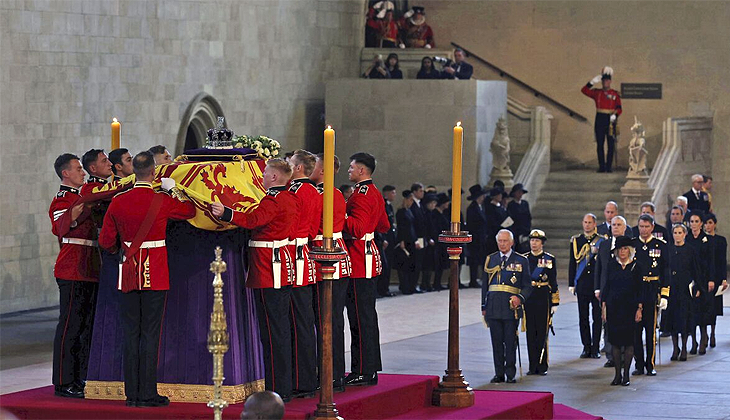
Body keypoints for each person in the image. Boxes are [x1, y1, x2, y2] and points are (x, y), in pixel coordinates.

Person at [99, 152, 196, 407]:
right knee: (150, 333)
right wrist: (174, 191)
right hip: (156, 272)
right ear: (153, 173)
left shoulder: (119, 200)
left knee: (131, 333)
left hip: (128, 271)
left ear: (134, 173)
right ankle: (148, 393)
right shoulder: (160, 200)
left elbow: (106, 241)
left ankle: (132, 394)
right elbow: (189, 211)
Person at [210, 158, 297, 401]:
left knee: (271, 332)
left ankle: (277, 388)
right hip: (281, 266)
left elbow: (252, 220)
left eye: (265, 173)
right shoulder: (289, 197)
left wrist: (225, 212)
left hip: (269, 268)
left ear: (274, 178)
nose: (262, 177)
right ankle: (282, 386)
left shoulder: (274, 200)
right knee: (279, 330)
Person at [49, 153, 100, 399]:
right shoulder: (63, 199)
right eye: (78, 169)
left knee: (84, 327)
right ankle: (63, 380)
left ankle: (80, 377)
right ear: (65, 173)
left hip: (89, 268)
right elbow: (60, 226)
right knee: (70, 326)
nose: (82, 172)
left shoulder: (81, 197)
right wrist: (83, 206)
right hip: (72, 268)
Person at [343, 152, 390, 386]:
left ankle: (362, 369)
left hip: (358, 260)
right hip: (369, 256)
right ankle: (370, 368)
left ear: (362, 170)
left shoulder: (360, 195)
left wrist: (340, 214)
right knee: (367, 317)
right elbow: (384, 224)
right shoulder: (374, 192)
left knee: (360, 319)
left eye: (352, 167)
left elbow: (357, 229)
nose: (348, 171)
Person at [309, 153, 352, 392]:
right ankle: (335, 373)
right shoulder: (335, 193)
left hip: (324, 257)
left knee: (327, 319)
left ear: (323, 169)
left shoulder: (322, 194)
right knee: (332, 320)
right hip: (337, 257)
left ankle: (330, 373)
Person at [286, 150, 320, 398]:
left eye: (289, 163)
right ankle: (307, 377)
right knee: (305, 321)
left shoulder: (296, 192)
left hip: (294, 255)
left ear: (298, 168)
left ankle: (300, 379)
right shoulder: (314, 192)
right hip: (305, 255)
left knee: (298, 322)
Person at [482, 230, 532, 383]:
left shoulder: (521, 260)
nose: (502, 244)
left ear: (511, 242)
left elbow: (527, 286)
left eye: (505, 241)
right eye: (500, 241)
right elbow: (485, 286)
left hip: (511, 308)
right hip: (494, 307)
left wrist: (520, 298)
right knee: (496, 342)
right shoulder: (491, 259)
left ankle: (510, 373)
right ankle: (499, 373)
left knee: (510, 342)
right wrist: (483, 306)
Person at [601, 235, 643, 386]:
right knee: (616, 343)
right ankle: (617, 374)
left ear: (630, 250)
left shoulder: (636, 267)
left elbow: (640, 289)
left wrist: (639, 308)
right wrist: (604, 306)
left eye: (625, 248)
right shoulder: (612, 265)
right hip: (614, 307)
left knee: (629, 342)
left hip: (630, 308)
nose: (622, 252)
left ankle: (626, 375)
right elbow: (607, 286)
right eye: (620, 249)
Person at [631, 214, 670, 377]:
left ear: (652, 227)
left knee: (650, 330)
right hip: (636, 290)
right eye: (641, 226)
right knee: (635, 330)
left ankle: (650, 364)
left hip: (652, 290)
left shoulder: (661, 245)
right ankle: (638, 364)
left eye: (647, 226)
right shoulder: (633, 245)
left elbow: (665, 270)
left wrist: (665, 294)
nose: (644, 230)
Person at [523, 229, 559, 375]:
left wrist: (555, 302)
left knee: (542, 332)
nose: (534, 243)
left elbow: (553, 281)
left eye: (537, 241)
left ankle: (542, 365)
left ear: (542, 243)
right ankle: (532, 365)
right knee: (530, 332)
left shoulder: (549, 259)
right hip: (529, 297)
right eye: (532, 240)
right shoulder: (524, 258)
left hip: (543, 297)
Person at [569, 213, 604, 359]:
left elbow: (602, 265)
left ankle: (595, 347)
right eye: (585, 222)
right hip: (582, 284)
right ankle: (586, 346)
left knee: (597, 317)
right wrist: (572, 283)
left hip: (595, 284)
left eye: (590, 222)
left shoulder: (602, 241)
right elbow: (573, 263)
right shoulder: (576, 240)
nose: (587, 225)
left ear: (595, 224)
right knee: (583, 317)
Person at [593, 215, 626, 367]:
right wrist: (597, 288)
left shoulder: (629, 245)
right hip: (607, 289)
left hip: (625, 290)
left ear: (625, 228)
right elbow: (599, 268)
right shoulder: (605, 245)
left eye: (619, 224)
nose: (616, 227)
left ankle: (624, 352)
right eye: (613, 224)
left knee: (624, 322)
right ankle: (611, 355)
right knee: (607, 322)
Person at [665, 224, 701, 361]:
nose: (677, 235)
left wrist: (697, 287)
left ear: (685, 234)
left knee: (684, 320)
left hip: (685, 289)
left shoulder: (690, 250)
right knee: (673, 320)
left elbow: (696, 270)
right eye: (675, 232)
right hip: (672, 289)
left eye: (680, 232)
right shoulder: (668, 249)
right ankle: (675, 348)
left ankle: (685, 348)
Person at [581, 66, 622, 172]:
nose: (605, 83)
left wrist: (615, 115)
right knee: (600, 144)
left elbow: (619, 108)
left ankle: (608, 167)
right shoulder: (597, 93)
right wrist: (592, 82)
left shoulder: (614, 94)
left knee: (611, 145)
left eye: (607, 81)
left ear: (610, 81)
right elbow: (584, 90)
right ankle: (601, 166)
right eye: (603, 81)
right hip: (600, 118)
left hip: (611, 119)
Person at [685, 213, 712, 354]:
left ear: (701, 223)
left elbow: (711, 262)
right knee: (691, 314)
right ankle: (694, 341)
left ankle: (703, 339)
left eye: (696, 221)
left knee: (702, 312)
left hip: (703, 278)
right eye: (691, 221)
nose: (694, 224)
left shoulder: (706, 240)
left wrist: (711, 280)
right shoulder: (687, 238)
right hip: (689, 279)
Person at [703, 213, 726, 348]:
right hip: (704, 277)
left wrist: (723, 278)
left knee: (714, 306)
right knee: (704, 306)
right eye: (706, 223)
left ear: (715, 224)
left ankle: (712, 332)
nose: (708, 225)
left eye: (710, 223)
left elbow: (722, 261)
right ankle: (704, 333)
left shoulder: (720, 240)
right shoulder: (702, 240)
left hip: (716, 276)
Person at [395, 190, 418, 295]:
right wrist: (401, 241)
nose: (412, 202)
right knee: (404, 265)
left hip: (411, 239)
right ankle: (404, 286)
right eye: (410, 200)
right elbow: (401, 227)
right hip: (405, 240)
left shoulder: (409, 211)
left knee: (411, 264)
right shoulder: (401, 211)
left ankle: (410, 286)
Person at [466, 185, 488, 290]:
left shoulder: (481, 207)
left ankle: (478, 279)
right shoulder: (472, 208)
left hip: (481, 238)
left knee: (480, 259)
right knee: (474, 260)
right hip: (475, 239)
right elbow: (472, 225)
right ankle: (473, 280)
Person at [378, 185, 397, 298]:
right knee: (384, 266)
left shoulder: (390, 206)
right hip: (384, 239)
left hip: (390, 239)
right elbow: (381, 223)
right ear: (387, 193)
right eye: (393, 193)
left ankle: (385, 288)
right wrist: (383, 238)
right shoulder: (383, 205)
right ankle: (382, 289)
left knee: (388, 265)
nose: (394, 195)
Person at [430, 193, 451, 291]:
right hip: (438, 242)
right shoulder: (435, 214)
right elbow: (435, 228)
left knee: (441, 264)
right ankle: (436, 283)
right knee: (438, 263)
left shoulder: (442, 213)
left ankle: (437, 282)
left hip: (443, 242)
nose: (448, 204)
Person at [410, 183, 427, 293]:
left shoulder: (420, 205)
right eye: (420, 191)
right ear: (414, 192)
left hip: (421, 238)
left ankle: (416, 284)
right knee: (415, 262)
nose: (422, 193)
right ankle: (412, 285)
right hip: (416, 238)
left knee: (420, 261)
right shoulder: (412, 205)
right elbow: (413, 223)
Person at [485, 188, 509, 260]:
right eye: (499, 195)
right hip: (494, 235)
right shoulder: (490, 207)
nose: (500, 196)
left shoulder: (500, 207)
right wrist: (501, 226)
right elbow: (492, 222)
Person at [507, 184, 531, 253]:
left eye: (521, 192)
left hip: (525, 231)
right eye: (518, 192)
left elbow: (528, 217)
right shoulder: (511, 205)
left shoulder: (525, 203)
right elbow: (511, 219)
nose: (520, 194)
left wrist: (527, 229)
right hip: (516, 231)